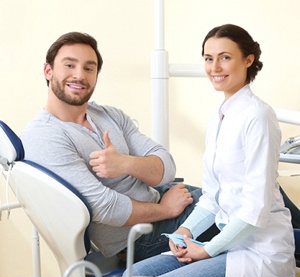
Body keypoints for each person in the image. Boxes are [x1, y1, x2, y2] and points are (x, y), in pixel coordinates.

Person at [124, 24, 297, 277]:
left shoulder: (259, 117)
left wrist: (207, 249)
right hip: (227, 244)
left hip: (258, 253)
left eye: (225, 57)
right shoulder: (219, 117)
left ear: (248, 60)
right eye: (208, 58)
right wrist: (185, 232)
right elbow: (211, 196)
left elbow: (255, 208)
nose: (215, 67)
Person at [20, 31, 219, 262]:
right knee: (239, 219)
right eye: (69, 65)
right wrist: (166, 210)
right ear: (48, 71)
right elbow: (105, 207)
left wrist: (125, 163)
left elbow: (166, 165)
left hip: (162, 199)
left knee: (234, 199)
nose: (79, 75)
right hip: (137, 237)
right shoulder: (44, 136)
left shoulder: (108, 114)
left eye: (88, 68)